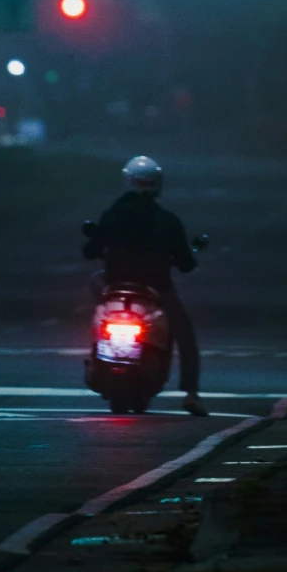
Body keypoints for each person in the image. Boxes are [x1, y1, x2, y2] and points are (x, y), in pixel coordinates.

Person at [84, 155, 205, 414]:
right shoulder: (167, 220)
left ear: (128, 181)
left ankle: (97, 353)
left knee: (95, 296)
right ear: (157, 184)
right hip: (156, 287)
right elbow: (186, 263)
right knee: (185, 337)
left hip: (116, 284)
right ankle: (192, 394)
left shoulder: (112, 214)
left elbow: (90, 249)